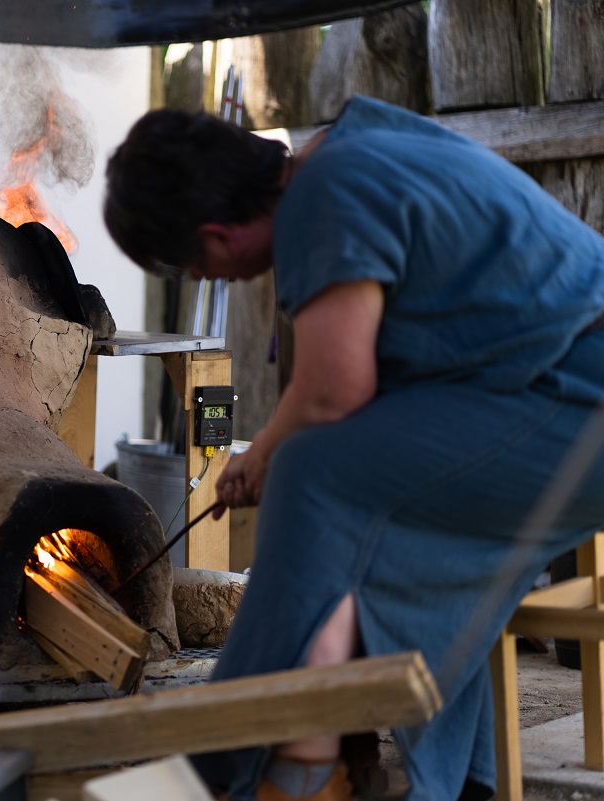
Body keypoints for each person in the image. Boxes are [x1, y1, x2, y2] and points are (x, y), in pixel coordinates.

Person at [103, 95, 604, 801]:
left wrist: (262, 454)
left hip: (578, 401)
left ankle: (222, 766)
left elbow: (334, 392)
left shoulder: (324, 192)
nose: (215, 280)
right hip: (550, 394)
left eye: (200, 264)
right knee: (365, 524)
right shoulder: (347, 147)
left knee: (311, 473)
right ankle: (424, 773)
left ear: (216, 230)